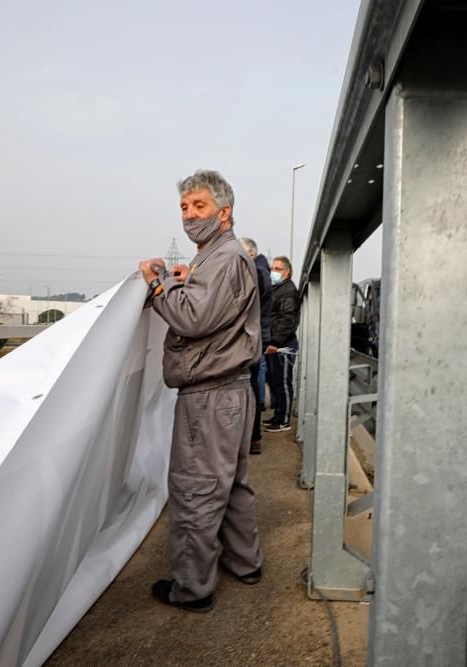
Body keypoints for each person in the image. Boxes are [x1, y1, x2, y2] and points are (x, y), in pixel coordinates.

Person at [138, 169, 264, 613]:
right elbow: (208, 301)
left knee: (196, 487)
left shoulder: (225, 257)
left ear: (224, 212)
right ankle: (245, 563)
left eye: (199, 207)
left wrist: (157, 283)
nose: (189, 216)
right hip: (233, 391)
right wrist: (183, 277)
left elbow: (192, 318)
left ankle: (192, 588)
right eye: (185, 208)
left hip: (210, 394)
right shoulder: (221, 255)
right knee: (231, 484)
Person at [238, 237, 272, 455]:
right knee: (252, 385)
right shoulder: (263, 270)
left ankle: (251, 438)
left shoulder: (256, 272)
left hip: (251, 336)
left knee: (248, 387)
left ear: (250, 254)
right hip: (257, 335)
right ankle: (252, 438)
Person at [264, 255, 300, 433]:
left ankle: (284, 420)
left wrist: (275, 341)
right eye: (273, 268)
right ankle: (278, 415)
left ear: (287, 272)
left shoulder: (287, 291)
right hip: (275, 343)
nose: (274, 272)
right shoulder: (278, 288)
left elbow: (287, 319)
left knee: (283, 382)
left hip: (283, 345)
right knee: (275, 380)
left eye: (278, 269)